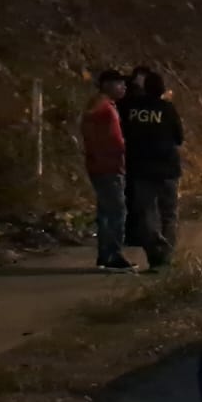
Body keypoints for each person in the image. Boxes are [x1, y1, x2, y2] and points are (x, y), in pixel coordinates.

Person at [122, 71, 185, 271]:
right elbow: (179, 137)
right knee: (169, 213)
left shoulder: (131, 109)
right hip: (167, 169)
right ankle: (165, 256)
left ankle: (154, 254)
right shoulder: (167, 108)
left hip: (140, 169)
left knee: (146, 213)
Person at [81, 70, 135, 270]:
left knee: (108, 211)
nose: (124, 88)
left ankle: (107, 255)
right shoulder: (101, 107)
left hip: (105, 165)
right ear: (107, 85)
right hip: (108, 166)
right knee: (115, 211)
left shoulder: (103, 105)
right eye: (120, 84)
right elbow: (106, 136)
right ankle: (113, 255)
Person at [118, 66, 152, 246]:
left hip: (127, 152)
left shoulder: (123, 99)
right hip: (137, 153)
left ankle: (131, 233)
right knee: (138, 197)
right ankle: (137, 233)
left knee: (130, 195)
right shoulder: (138, 99)